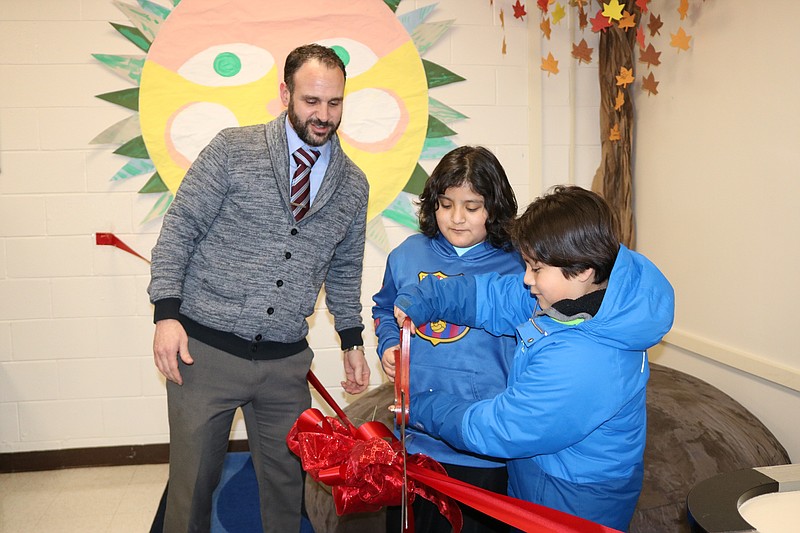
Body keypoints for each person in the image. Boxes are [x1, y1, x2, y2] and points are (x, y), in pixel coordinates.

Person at [147, 43, 371, 533]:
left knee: (286, 490)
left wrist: (352, 340)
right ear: (285, 93)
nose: (323, 115)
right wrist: (166, 314)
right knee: (192, 489)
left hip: (285, 365)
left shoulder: (353, 184)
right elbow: (179, 229)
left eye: (334, 103)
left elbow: (345, 268)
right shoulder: (233, 149)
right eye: (312, 100)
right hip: (202, 352)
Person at [393, 185, 675, 531]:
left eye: (536, 269)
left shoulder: (588, 360)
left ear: (583, 268)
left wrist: (422, 409)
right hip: (542, 474)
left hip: (572, 498)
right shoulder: (576, 292)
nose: (527, 279)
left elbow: (503, 428)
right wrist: (427, 296)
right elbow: (493, 297)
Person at [373, 146, 523, 533]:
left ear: (494, 207)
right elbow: (384, 308)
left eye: (471, 207)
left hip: (483, 447)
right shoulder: (408, 254)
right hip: (415, 440)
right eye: (445, 204)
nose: (456, 218)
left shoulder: (520, 264)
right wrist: (388, 343)